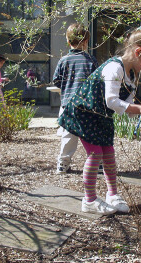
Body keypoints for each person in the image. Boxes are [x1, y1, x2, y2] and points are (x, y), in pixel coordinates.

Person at [58, 28, 141, 215]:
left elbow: (126, 106)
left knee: (108, 153)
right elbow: (111, 100)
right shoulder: (114, 68)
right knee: (95, 154)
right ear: (138, 52)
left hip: (101, 117)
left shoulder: (131, 76)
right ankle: (89, 200)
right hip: (84, 113)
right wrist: (139, 108)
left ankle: (112, 194)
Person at [53, 23, 98, 174]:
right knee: (90, 135)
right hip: (86, 105)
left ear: (67, 41)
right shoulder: (91, 60)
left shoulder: (63, 61)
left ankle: (63, 164)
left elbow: (57, 81)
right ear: (85, 42)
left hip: (68, 105)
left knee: (68, 136)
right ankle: (96, 163)